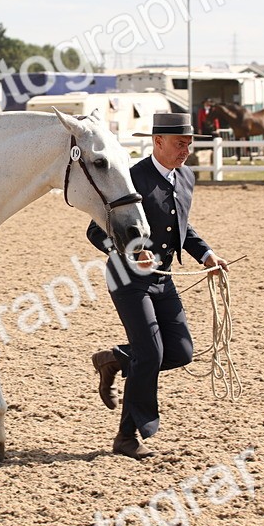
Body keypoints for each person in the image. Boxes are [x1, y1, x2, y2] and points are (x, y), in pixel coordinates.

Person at [86, 112, 228, 460]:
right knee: (150, 354)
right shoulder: (131, 178)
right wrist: (132, 252)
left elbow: (182, 226)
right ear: (158, 141)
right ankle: (126, 438)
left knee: (180, 351)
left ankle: (116, 359)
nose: (186, 150)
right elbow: (95, 231)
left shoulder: (187, 177)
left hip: (163, 279)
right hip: (127, 280)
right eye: (180, 143)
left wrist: (205, 254)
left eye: (189, 144)